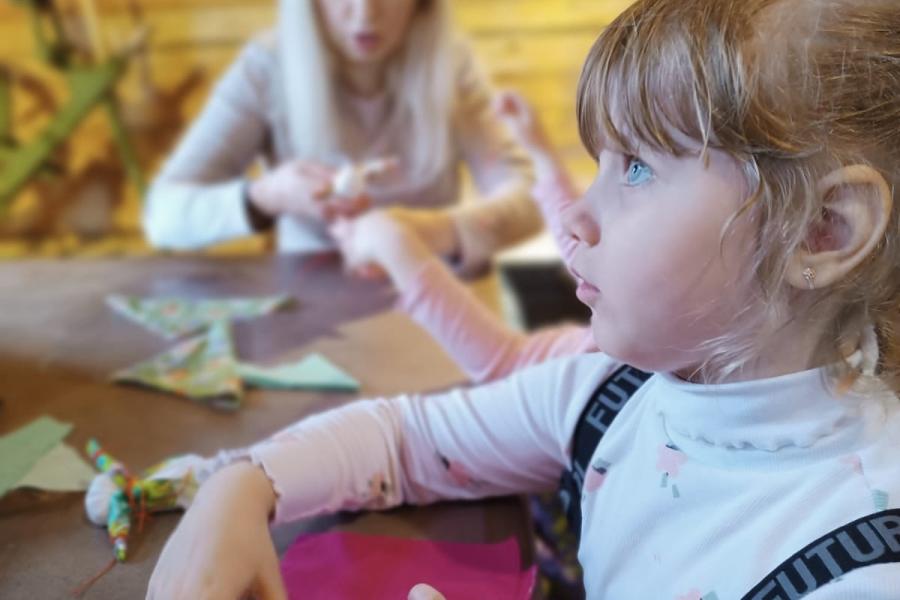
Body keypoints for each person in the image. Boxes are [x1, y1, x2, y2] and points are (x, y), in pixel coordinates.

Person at [146, 0, 900, 597]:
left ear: (822, 231)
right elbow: (405, 438)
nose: (573, 216)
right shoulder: (609, 393)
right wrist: (238, 488)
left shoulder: (862, 573)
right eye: (599, 163)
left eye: (636, 168)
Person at [142, 0, 541, 277]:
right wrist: (266, 196)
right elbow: (163, 215)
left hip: (441, 303)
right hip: (309, 309)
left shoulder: (452, 65)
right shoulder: (266, 68)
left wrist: (432, 231)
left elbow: (534, 196)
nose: (365, 13)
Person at [330, 90, 594, 384]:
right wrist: (543, 155)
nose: (588, 212)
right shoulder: (618, 329)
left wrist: (391, 241)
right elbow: (587, 258)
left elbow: (508, 360)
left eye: (632, 170)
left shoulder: (605, 360)